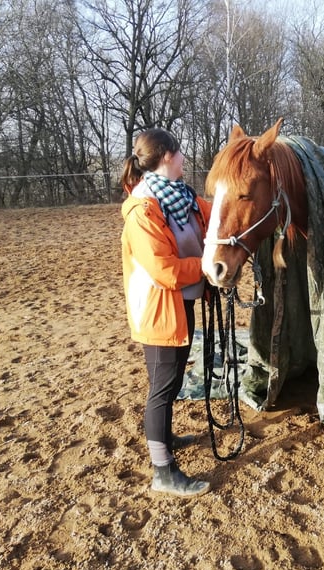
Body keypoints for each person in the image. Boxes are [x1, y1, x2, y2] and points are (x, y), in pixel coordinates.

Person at [120, 128, 212, 497]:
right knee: (161, 388)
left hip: (181, 303)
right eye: (180, 152)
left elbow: (216, 216)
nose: (184, 158)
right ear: (166, 157)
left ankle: (166, 437)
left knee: (172, 381)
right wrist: (207, 266)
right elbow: (165, 270)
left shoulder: (183, 197)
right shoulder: (144, 210)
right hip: (158, 311)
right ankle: (163, 471)